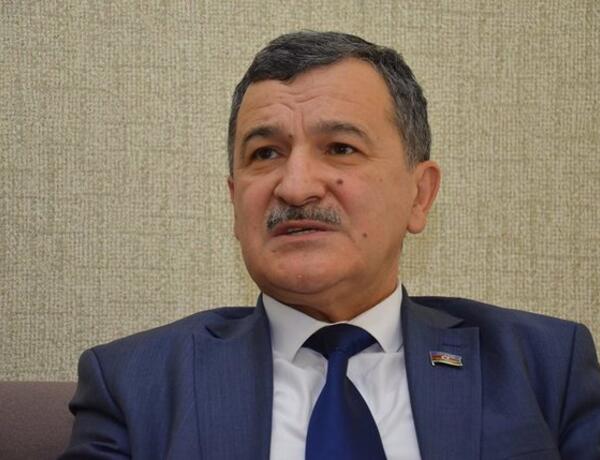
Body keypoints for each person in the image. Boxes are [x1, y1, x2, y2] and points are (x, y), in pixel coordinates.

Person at [60, 31, 600, 459]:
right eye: (265, 154)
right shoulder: (134, 383)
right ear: (234, 200)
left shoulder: (544, 366)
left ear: (419, 195)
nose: (295, 187)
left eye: (340, 148)